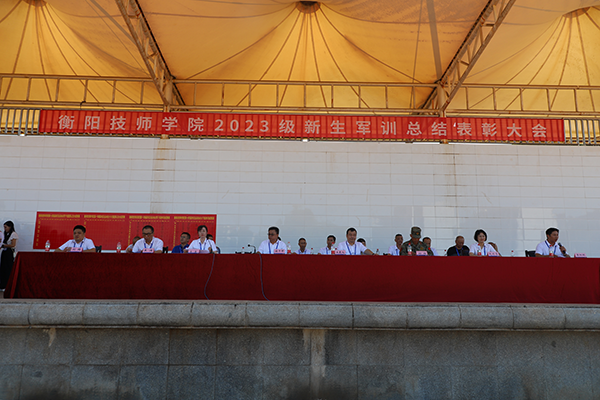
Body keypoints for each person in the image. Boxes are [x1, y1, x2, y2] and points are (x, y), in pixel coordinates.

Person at [0, 221, 18, 290]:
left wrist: (4, 245)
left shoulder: (13, 234)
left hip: (9, 253)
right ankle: (3, 284)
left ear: (10, 227)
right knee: (3, 268)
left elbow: (13, 245)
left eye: (6, 227)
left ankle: (8, 285)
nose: (5, 229)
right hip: (4, 252)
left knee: (8, 268)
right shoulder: (5, 234)